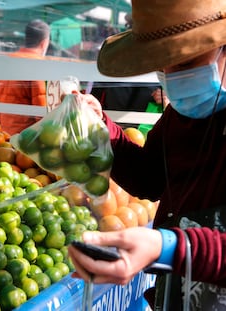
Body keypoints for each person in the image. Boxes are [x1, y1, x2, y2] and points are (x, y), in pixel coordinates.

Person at [68, 0, 226, 309]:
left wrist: (168, 247)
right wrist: (102, 130)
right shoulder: (180, 119)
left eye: (182, 61)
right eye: (161, 64)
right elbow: (149, 178)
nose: (169, 74)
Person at [0, 19, 50, 135]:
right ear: (44, 43)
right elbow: (40, 112)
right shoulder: (37, 65)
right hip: (24, 138)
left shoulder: (9, 61)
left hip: (4, 136)